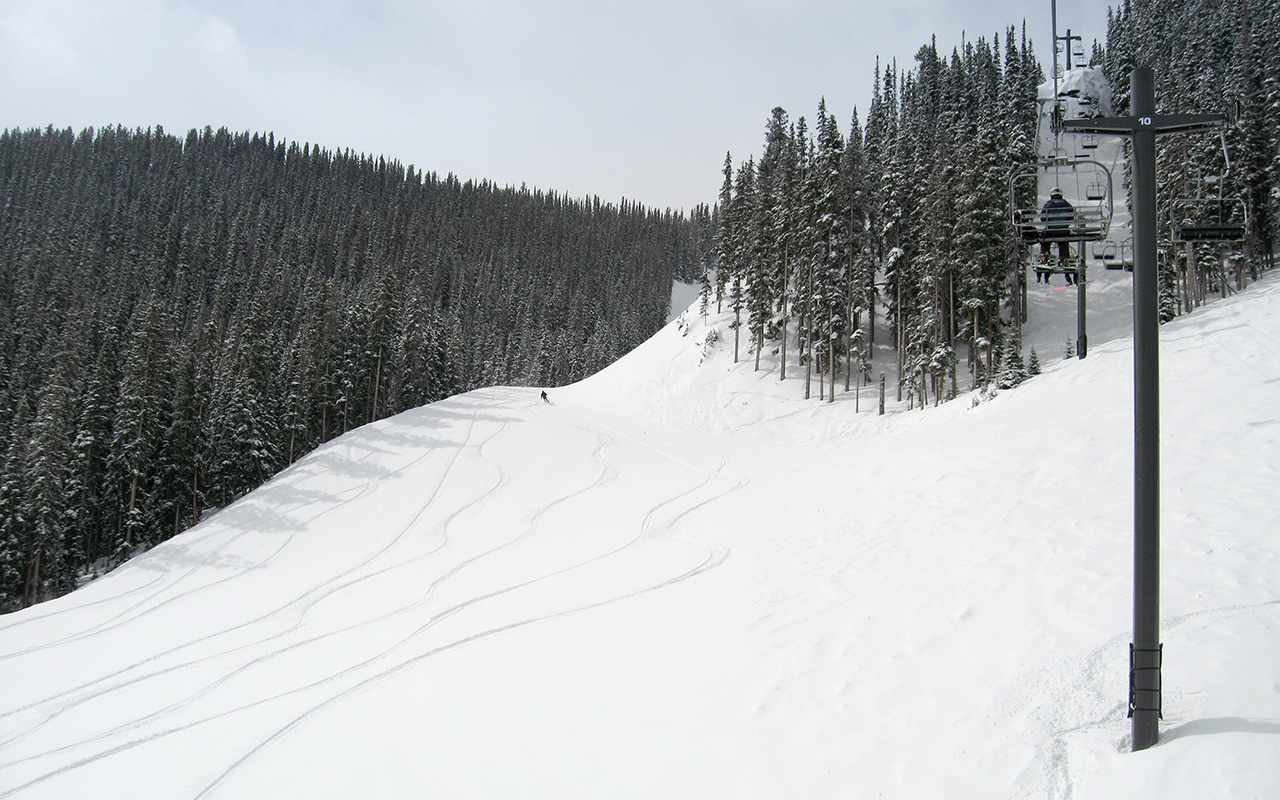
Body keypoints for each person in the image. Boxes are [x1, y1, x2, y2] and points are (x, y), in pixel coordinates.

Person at [1039, 187, 1074, 267]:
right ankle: (1064, 257)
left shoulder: (1048, 205)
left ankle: (1045, 253)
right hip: (1063, 231)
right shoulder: (1067, 205)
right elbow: (1071, 218)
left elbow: (1043, 218)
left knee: (1044, 238)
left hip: (1051, 231)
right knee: (1064, 242)